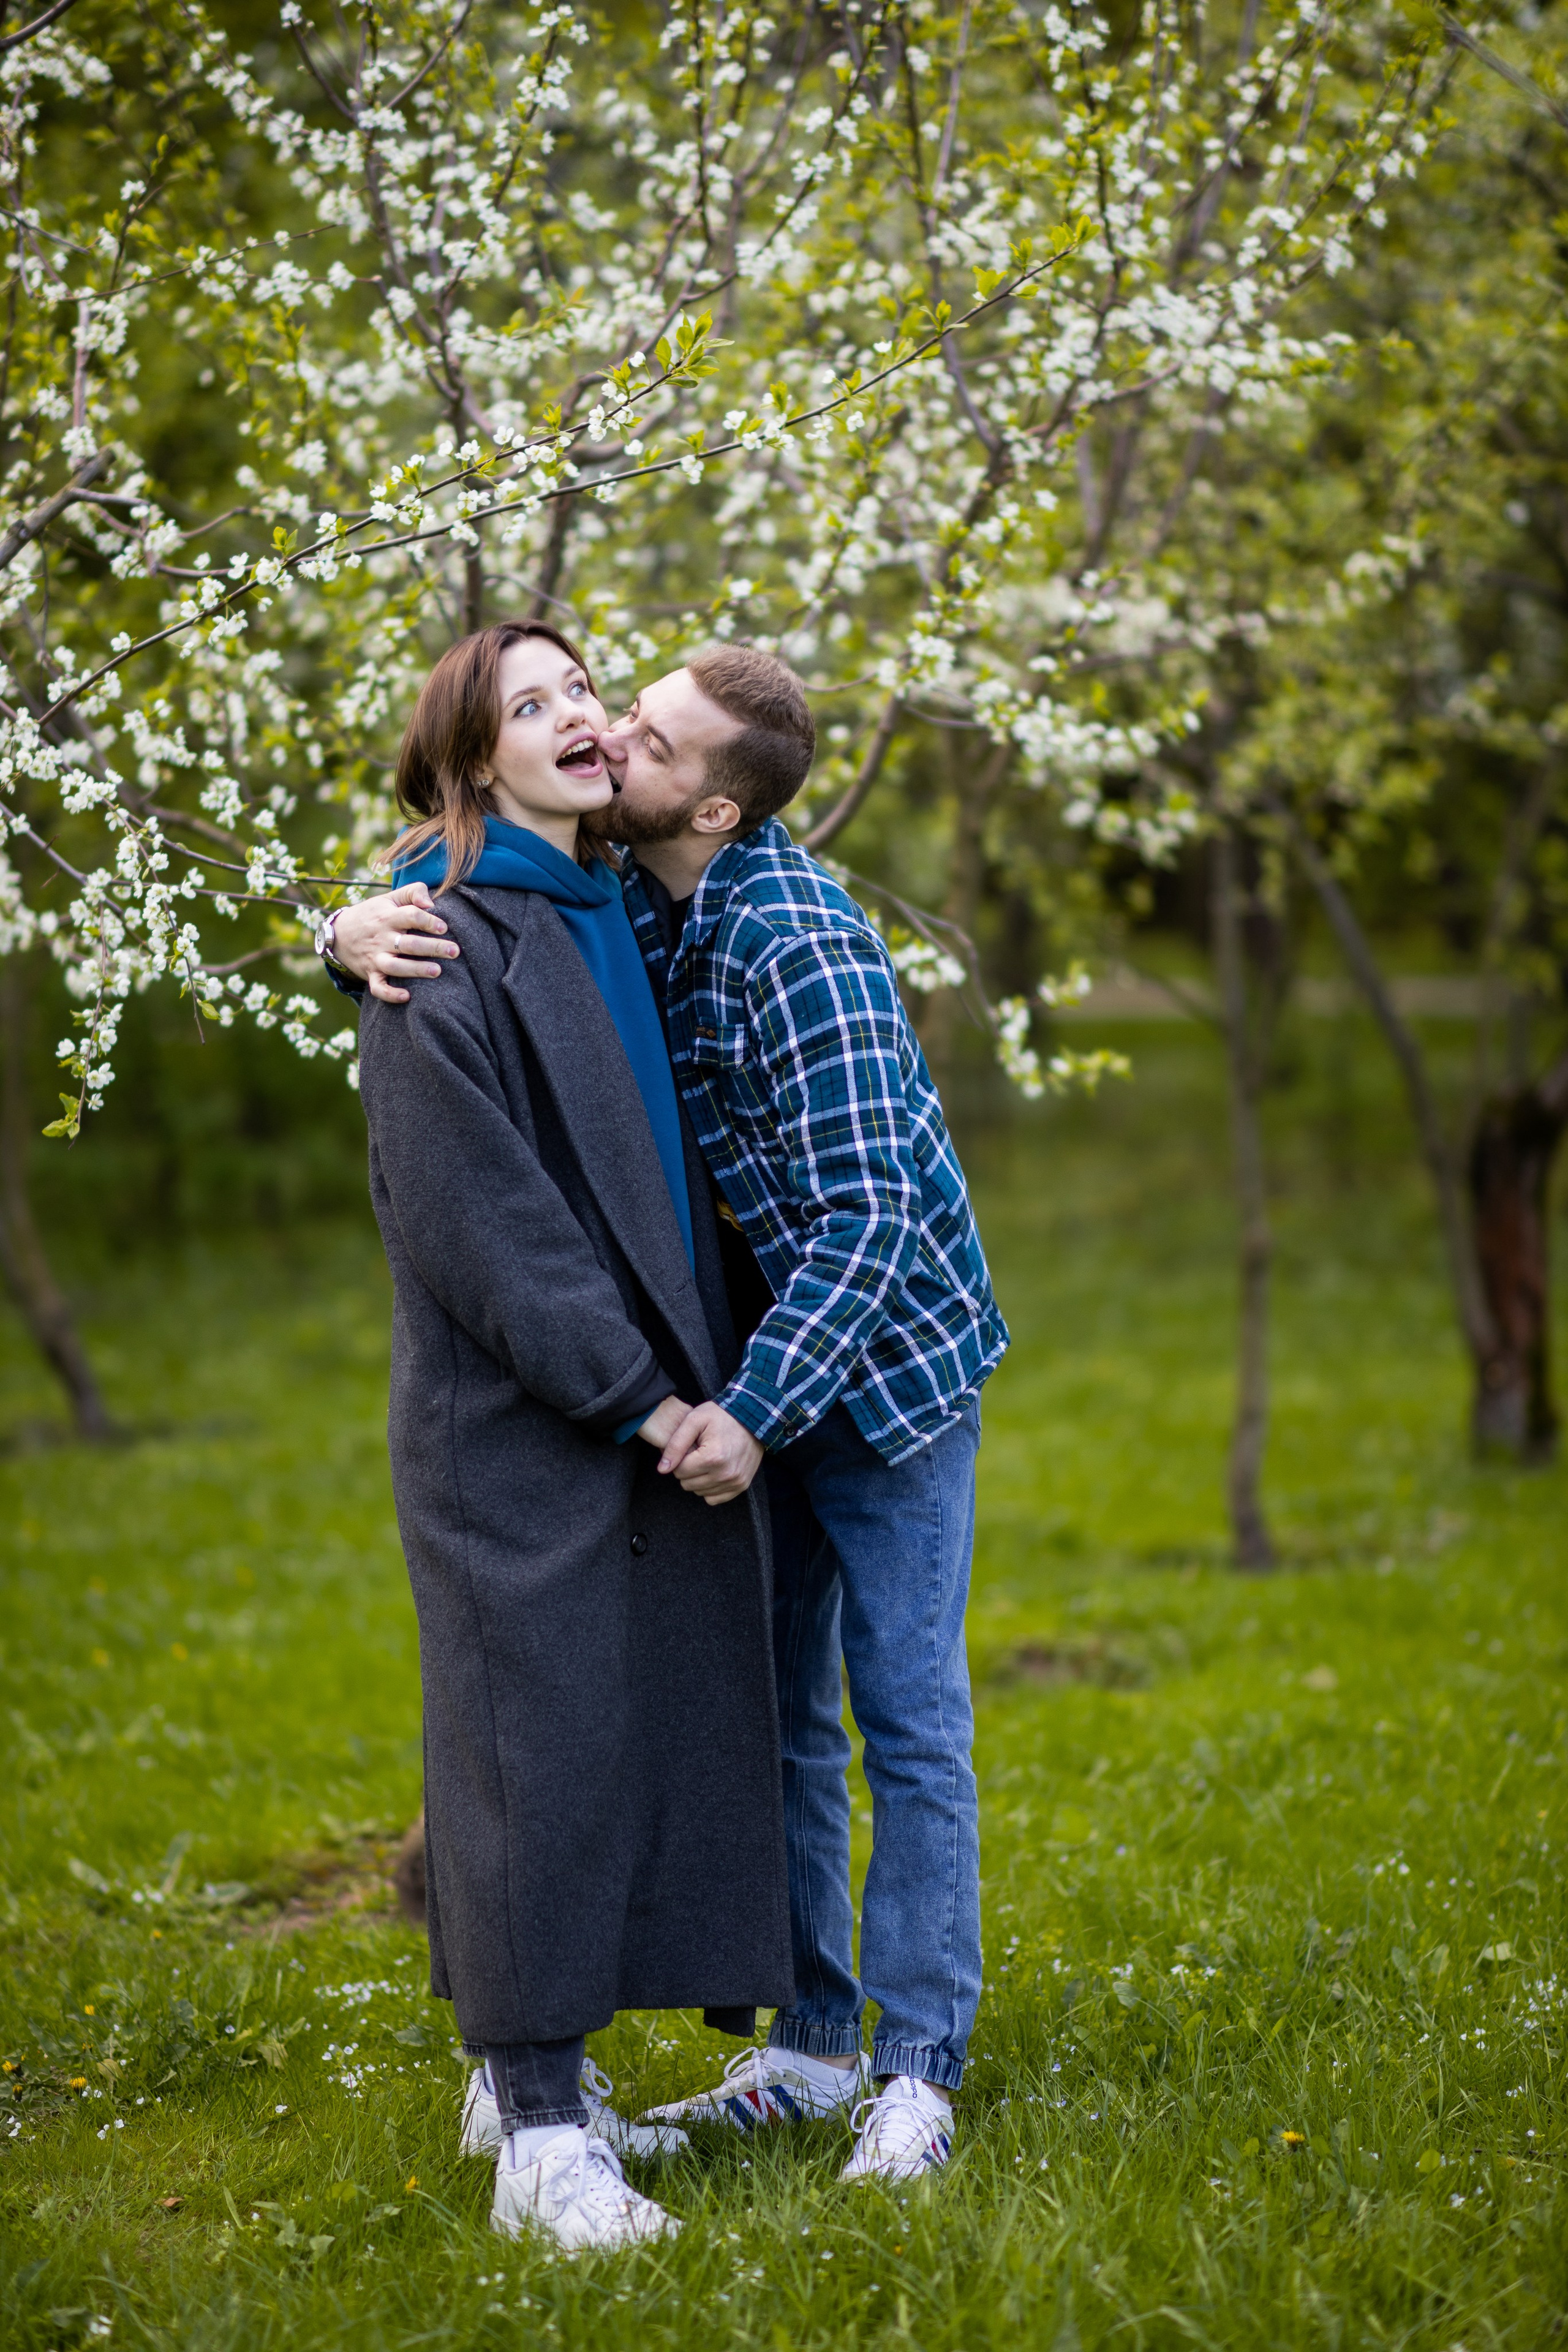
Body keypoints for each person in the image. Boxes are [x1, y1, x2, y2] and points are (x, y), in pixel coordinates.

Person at [326, 641, 1008, 2184]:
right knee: (779, 1724)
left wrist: (747, 1411)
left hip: (879, 1378)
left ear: (705, 811)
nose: (608, 739)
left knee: (905, 1719)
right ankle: (812, 2043)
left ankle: (915, 2068)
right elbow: (463, 862)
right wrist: (346, 925)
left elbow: (865, 1219)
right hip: (750, 1374)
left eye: (642, 739)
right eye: (596, 713)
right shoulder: (631, 890)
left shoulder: (798, 946)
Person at [349, 620, 793, 2253]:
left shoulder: (610, 890)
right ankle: (541, 2135)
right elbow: (489, 1229)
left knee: (610, 1741)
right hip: (523, 1413)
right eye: (527, 707)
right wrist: (641, 1393)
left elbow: (745, 789)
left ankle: (540, 2075)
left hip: (648, 1394)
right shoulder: (437, 949)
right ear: (476, 762)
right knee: (524, 1745)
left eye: (582, 689)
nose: (577, 719)